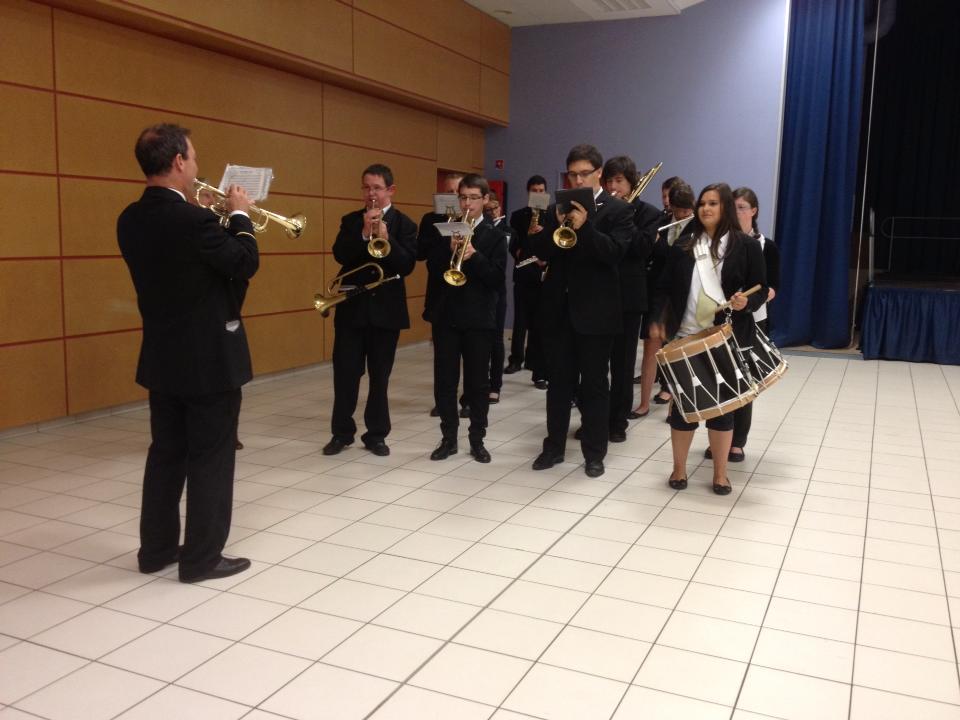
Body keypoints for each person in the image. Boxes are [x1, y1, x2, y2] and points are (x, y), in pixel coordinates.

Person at [117, 123, 256, 583]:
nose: (197, 168)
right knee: (212, 457)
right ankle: (202, 558)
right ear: (178, 161)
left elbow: (186, 268)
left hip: (162, 356)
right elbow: (243, 262)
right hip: (210, 359)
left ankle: (155, 550)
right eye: (193, 158)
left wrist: (212, 220)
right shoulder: (196, 222)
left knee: (166, 454)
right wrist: (239, 217)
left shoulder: (131, 218)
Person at [649, 183, 766, 495]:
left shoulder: (747, 246)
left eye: (713, 203)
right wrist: (658, 319)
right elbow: (663, 287)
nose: (705, 208)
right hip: (685, 337)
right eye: (703, 203)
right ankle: (678, 469)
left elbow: (761, 288)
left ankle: (720, 473)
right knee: (683, 410)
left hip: (724, 339)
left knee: (723, 411)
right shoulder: (684, 245)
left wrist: (747, 303)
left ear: (725, 207)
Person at [528, 144, 634, 477]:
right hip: (558, 311)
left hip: (597, 313)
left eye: (583, 173)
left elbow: (614, 253)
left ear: (599, 173)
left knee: (594, 386)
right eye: (572, 174)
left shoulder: (618, 210)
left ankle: (594, 453)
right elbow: (540, 252)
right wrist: (552, 227)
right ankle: (554, 448)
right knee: (559, 383)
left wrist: (585, 227)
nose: (577, 179)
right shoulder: (556, 207)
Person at [323, 164, 417, 457]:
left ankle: (376, 434)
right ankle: (341, 433)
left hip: (386, 312)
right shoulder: (351, 220)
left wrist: (387, 239)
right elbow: (340, 254)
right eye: (366, 187)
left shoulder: (405, 224)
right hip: (352, 310)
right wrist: (365, 233)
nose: (370, 193)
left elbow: (407, 266)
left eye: (376, 188)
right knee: (345, 374)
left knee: (380, 377)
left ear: (390, 190)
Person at [428, 174, 507, 464]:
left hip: (479, 318)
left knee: (477, 384)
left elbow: (497, 279)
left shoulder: (496, 235)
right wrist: (446, 253)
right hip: (447, 316)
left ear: (485, 200)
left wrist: (474, 256)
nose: (467, 203)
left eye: (474, 197)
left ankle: (478, 440)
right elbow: (434, 271)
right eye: (463, 197)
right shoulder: (447, 230)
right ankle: (448, 438)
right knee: (445, 382)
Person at [705, 186, 780, 463]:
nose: (737, 212)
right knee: (720, 380)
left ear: (754, 211)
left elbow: (770, 286)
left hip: (753, 321)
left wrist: (748, 302)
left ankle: (737, 441)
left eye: (742, 207)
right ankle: (719, 436)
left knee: (744, 382)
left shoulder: (763, 245)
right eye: (733, 207)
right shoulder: (717, 241)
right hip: (722, 322)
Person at [601, 156, 661, 440]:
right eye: (609, 180)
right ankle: (595, 419)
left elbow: (642, 249)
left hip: (629, 297)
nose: (613, 186)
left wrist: (624, 215)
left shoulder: (648, 213)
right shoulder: (598, 209)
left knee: (623, 365)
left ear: (631, 183)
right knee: (596, 364)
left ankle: (617, 423)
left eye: (619, 181)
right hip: (598, 294)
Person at [633, 180, 696, 417]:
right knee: (651, 344)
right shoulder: (661, 222)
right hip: (658, 291)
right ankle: (643, 404)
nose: (682, 214)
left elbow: (680, 259)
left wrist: (661, 247)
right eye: (678, 210)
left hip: (683, 294)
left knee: (677, 349)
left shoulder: (697, 227)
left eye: (686, 210)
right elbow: (648, 251)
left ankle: (676, 406)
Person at [195, 178, 246, 451]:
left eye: (209, 198)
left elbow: (241, 258)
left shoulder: (219, 225)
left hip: (227, 299)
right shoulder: (196, 224)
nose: (209, 202)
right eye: (203, 198)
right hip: (204, 307)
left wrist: (237, 219)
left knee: (231, 374)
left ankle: (230, 430)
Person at [418, 173, 464, 418]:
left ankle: (468, 398)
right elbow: (420, 253)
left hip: (467, 294)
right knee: (443, 356)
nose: (452, 197)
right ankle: (443, 401)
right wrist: (443, 231)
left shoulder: (473, 220)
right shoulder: (430, 219)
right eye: (448, 192)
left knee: (470, 353)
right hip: (440, 292)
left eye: (457, 192)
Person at [506, 175, 548, 389]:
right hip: (523, 272)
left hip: (542, 273)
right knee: (520, 319)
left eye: (541, 191)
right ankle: (516, 360)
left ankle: (536, 365)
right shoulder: (518, 216)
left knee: (540, 322)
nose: (538, 194)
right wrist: (523, 242)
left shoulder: (551, 215)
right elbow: (513, 245)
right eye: (534, 190)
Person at [484, 190, 510, 404]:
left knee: (496, 338)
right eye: (488, 209)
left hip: (497, 290)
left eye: (494, 209)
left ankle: (495, 384)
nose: (491, 212)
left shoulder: (505, 230)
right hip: (480, 290)